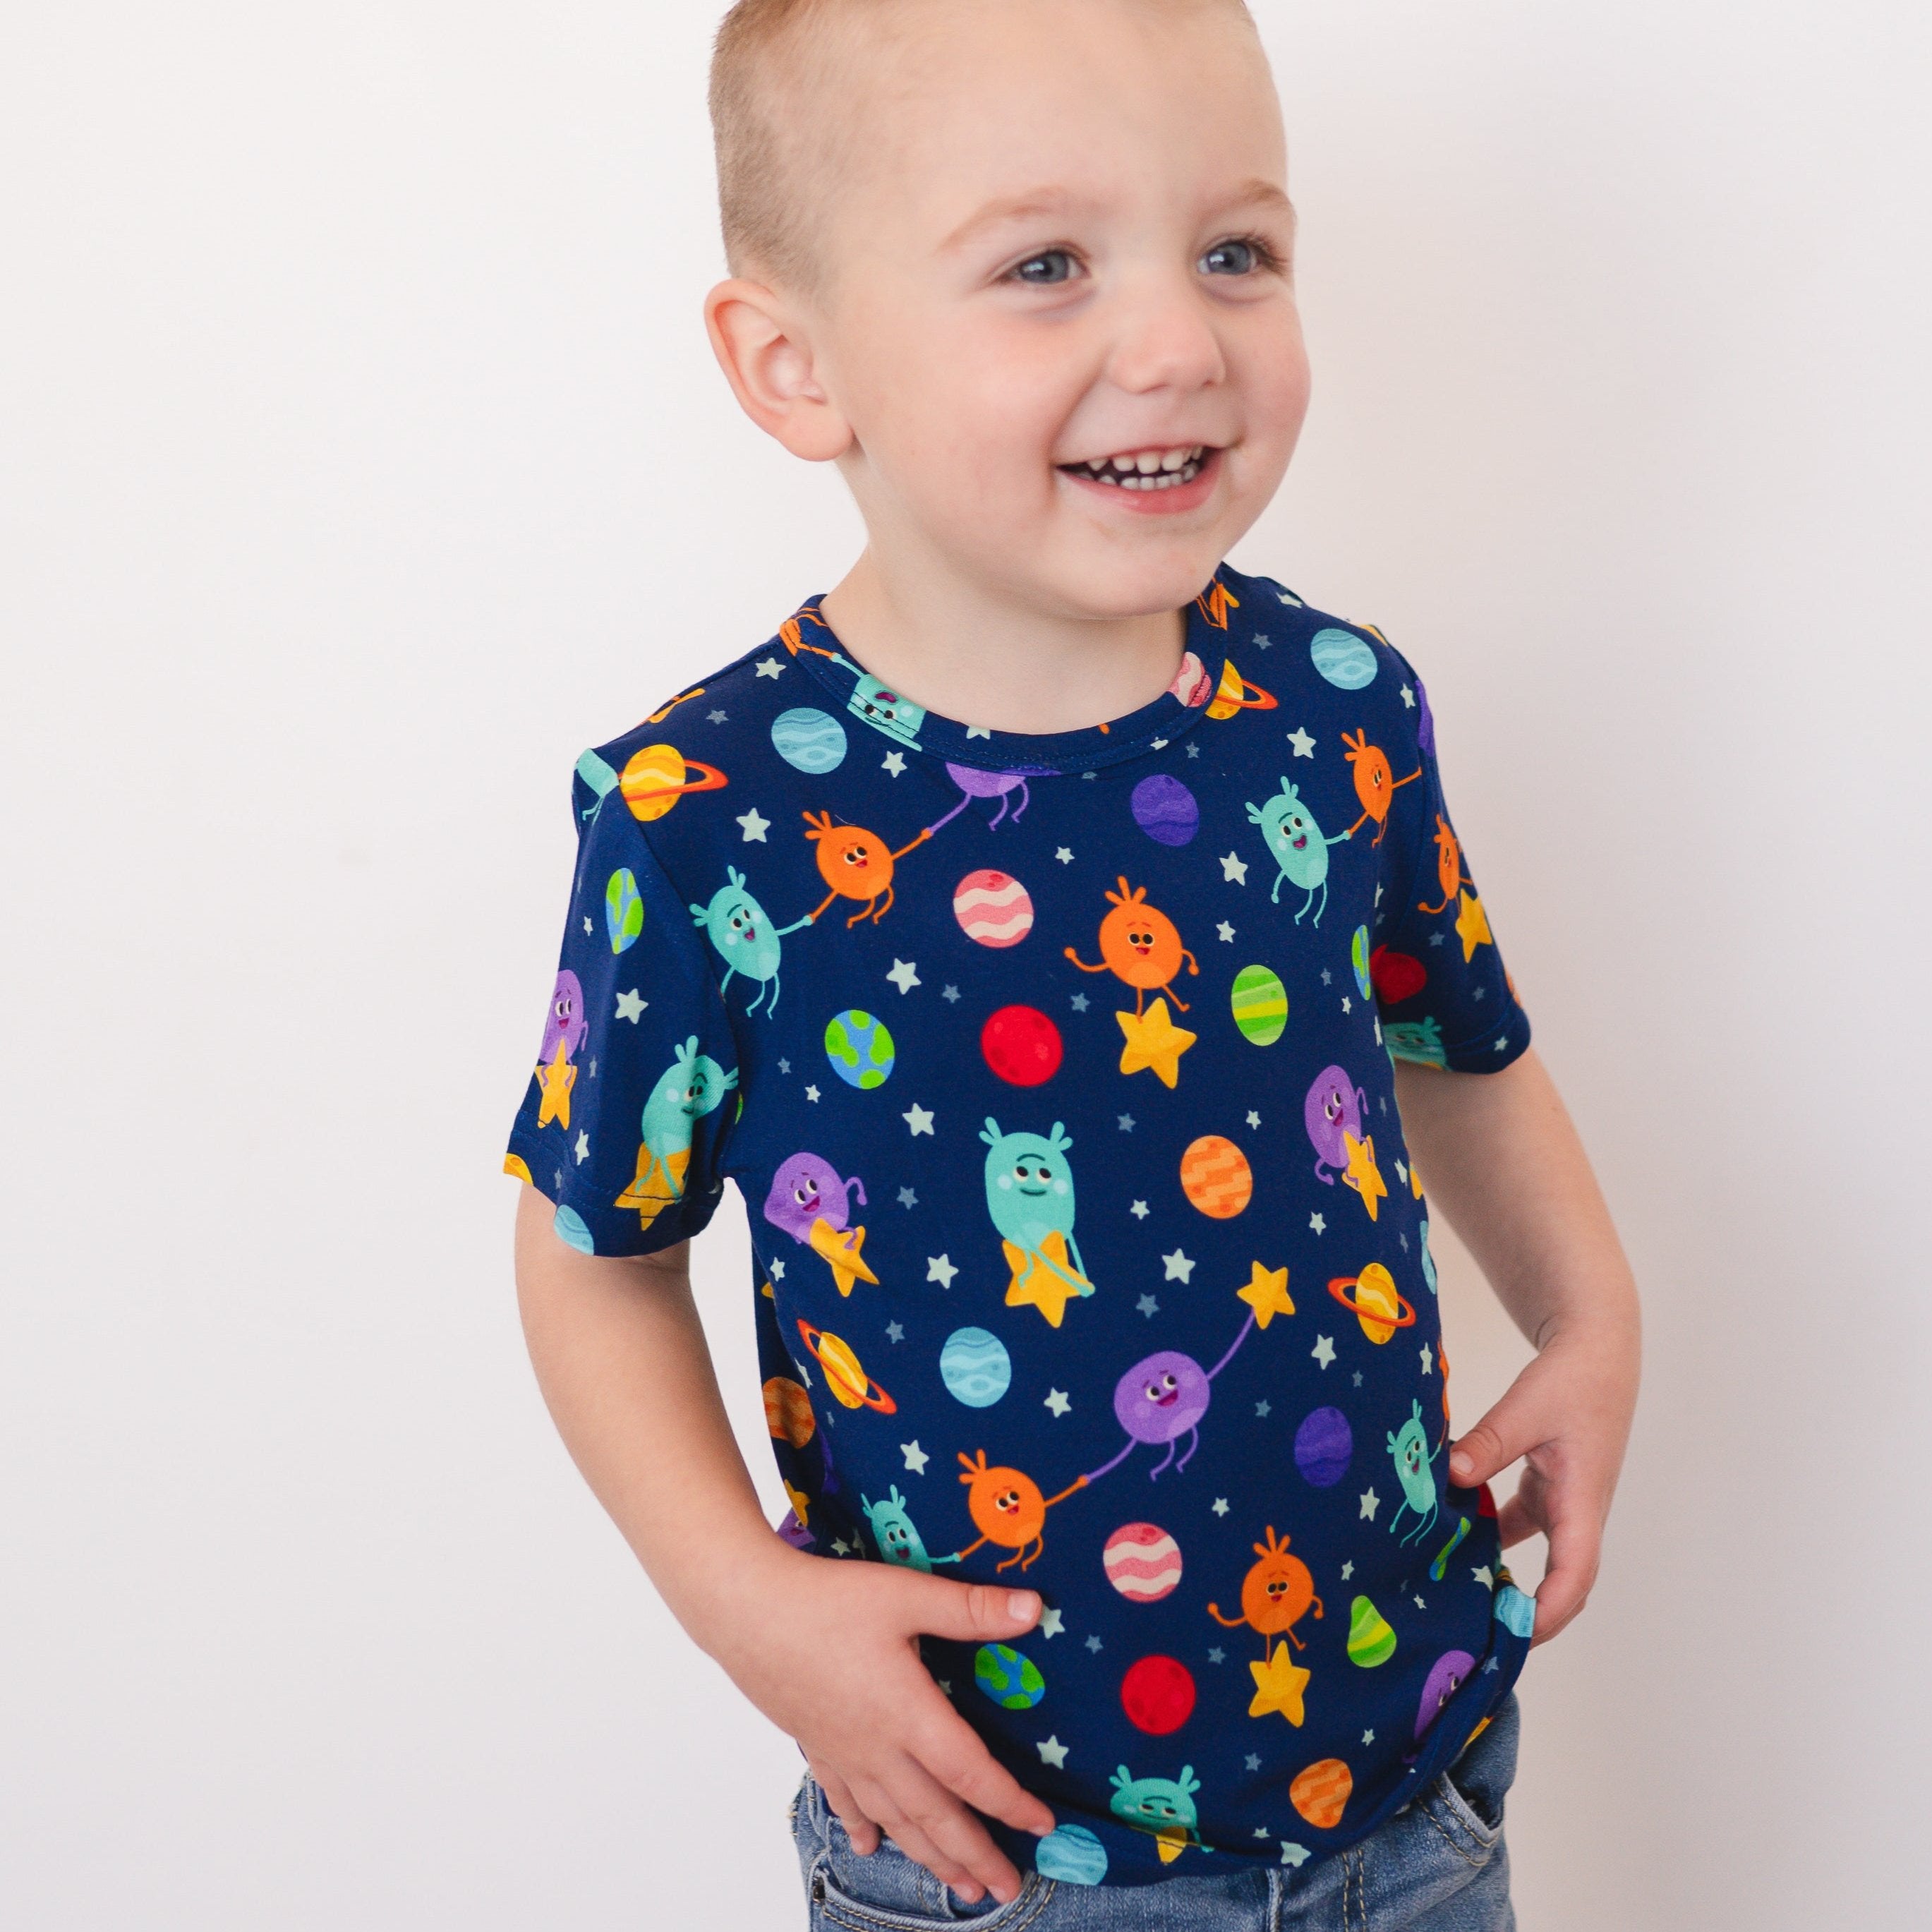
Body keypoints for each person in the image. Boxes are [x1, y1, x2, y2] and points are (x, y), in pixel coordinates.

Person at [505, 1, 1641, 1923]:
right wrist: (740, 1601)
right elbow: (588, 1249)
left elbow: (1454, 1037)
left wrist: (1590, 1306)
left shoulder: (1330, 706)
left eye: (1235, 252)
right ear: (792, 364)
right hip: (1002, 1857)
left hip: (1413, 1780)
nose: (1178, 341)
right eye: (1045, 265)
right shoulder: (708, 815)